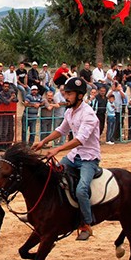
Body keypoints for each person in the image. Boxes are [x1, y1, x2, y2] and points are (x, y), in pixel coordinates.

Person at [31, 77, 100, 240]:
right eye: (65, 93)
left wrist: (58, 149)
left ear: (80, 96)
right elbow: (61, 130)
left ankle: (87, 224)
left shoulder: (89, 114)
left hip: (89, 159)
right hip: (74, 155)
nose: (65, 96)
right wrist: (43, 141)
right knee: (53, 177)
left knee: (81, 189)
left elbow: (80, 139)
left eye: (69, 93)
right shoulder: (69, 111)